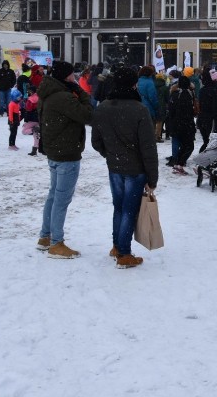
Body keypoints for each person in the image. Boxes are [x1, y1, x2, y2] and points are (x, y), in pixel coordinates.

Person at [91, 66, 159, 268]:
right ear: (134, 84)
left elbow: (96, 141)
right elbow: (148, 147)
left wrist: (111, 154)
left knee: (119, 207)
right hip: (134, 169)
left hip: (115, 166)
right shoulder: (139, 109)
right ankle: (124, 253)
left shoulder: (103, 107)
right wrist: (152, 177)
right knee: (128, 210)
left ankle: (117, 245)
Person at [36, 60, 94, 259]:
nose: (74, 78)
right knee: (61, 199)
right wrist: (82, 93)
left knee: (53, 195)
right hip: (66, 152)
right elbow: (88, 115)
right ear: (65, 76)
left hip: (54, 151)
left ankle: (45, 236)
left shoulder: (48, 92)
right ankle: (56, 243)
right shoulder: (63, 96)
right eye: (72, 75)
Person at [168, 75, 197, 175]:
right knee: (189, 146)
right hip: (186, 124)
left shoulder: (174, 94)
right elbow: (190, 111)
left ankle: (177, 164)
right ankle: (179, 164)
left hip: (176, 123)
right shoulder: (188, 94)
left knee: (183, 145)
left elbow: (171, 110)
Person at [197, 69, 217, 152]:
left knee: (206, 139)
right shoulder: (214, 90)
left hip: (202, 117)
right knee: (209, 139)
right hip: (210, 117)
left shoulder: (202, 90)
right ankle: (204, 155)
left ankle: (203, 153)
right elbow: (215, 105)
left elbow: (200, 103)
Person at [22, 91, 40, 156]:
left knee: (24, 131)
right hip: (38, 119)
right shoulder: (39, 98)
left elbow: (27, 111)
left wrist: (25, 121)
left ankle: (33, 129)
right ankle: (34, 150)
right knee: (36, 137)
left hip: (31, 120)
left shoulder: (30, 99)